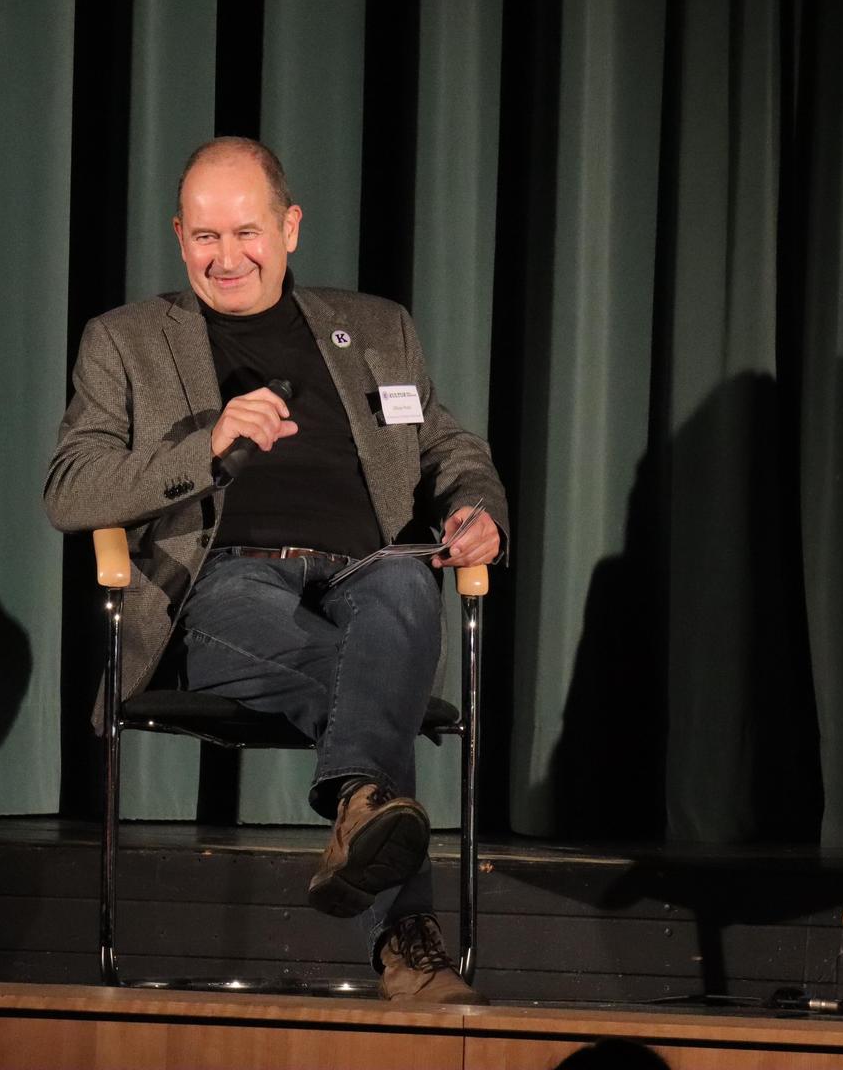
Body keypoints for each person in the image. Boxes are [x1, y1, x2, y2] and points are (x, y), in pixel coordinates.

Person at [44, 137, 508, 1003]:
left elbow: (449, 448)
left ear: (290, 228)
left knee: (407, 581)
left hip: (374, 572)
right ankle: (407, 935)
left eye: (247, 233)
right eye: (205, 238)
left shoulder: (375, 329)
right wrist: (206, 444)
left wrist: (475, 510)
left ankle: (362, 805)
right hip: (226, 584)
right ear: (179, 237)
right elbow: (70, 487)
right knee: (381, 688)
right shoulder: (128, 341)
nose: (227, 257)